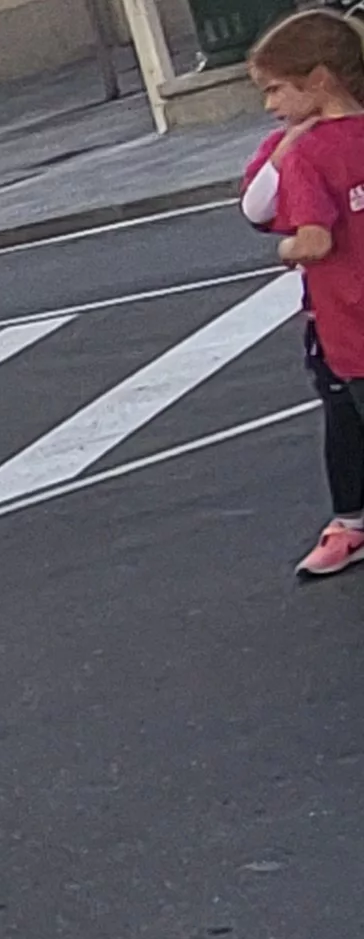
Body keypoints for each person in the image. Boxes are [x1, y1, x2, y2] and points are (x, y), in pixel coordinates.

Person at [254, 10, 364, 578]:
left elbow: (308, 236)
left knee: (346, 414)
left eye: (275, 88)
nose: (269, 104)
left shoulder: (305, 154)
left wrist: (287, 250)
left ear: (318, 80)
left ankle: (350, 520)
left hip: (346, 326)